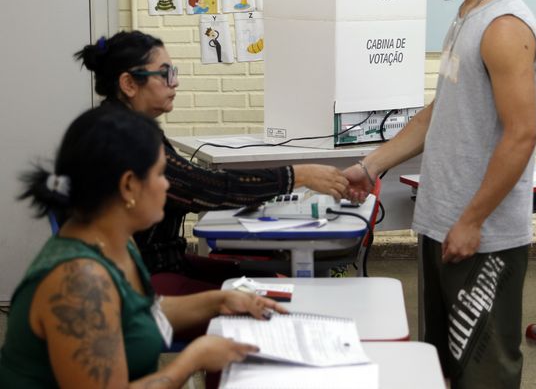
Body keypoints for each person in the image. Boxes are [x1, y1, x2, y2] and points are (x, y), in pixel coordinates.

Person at [345, 0, 536, 387]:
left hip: (481, 238)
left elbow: (521, 135)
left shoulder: (503, 25)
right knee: (443, 369)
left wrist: (472, 221)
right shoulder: (467, 16)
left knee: (486, 373)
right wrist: (371, 164)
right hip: (443, 225)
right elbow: (439, 113)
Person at [0, 105, 287, 387]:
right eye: (160, 174)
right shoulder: (81, 281)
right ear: (128, 186)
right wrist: (193, 359)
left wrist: (218, 301)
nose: (166, 186)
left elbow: (139, 313)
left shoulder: (116, 240)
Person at [74, 31, 349, 298]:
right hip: (143, 278)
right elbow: (202, 188)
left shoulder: (129, 125)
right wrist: (296, 176)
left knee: (261, 280)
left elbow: (194, 182)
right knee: (267, 297)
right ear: (129, 84)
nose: (176, 82)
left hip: (165, 262)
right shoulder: (123, 136)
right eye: (166, 74)